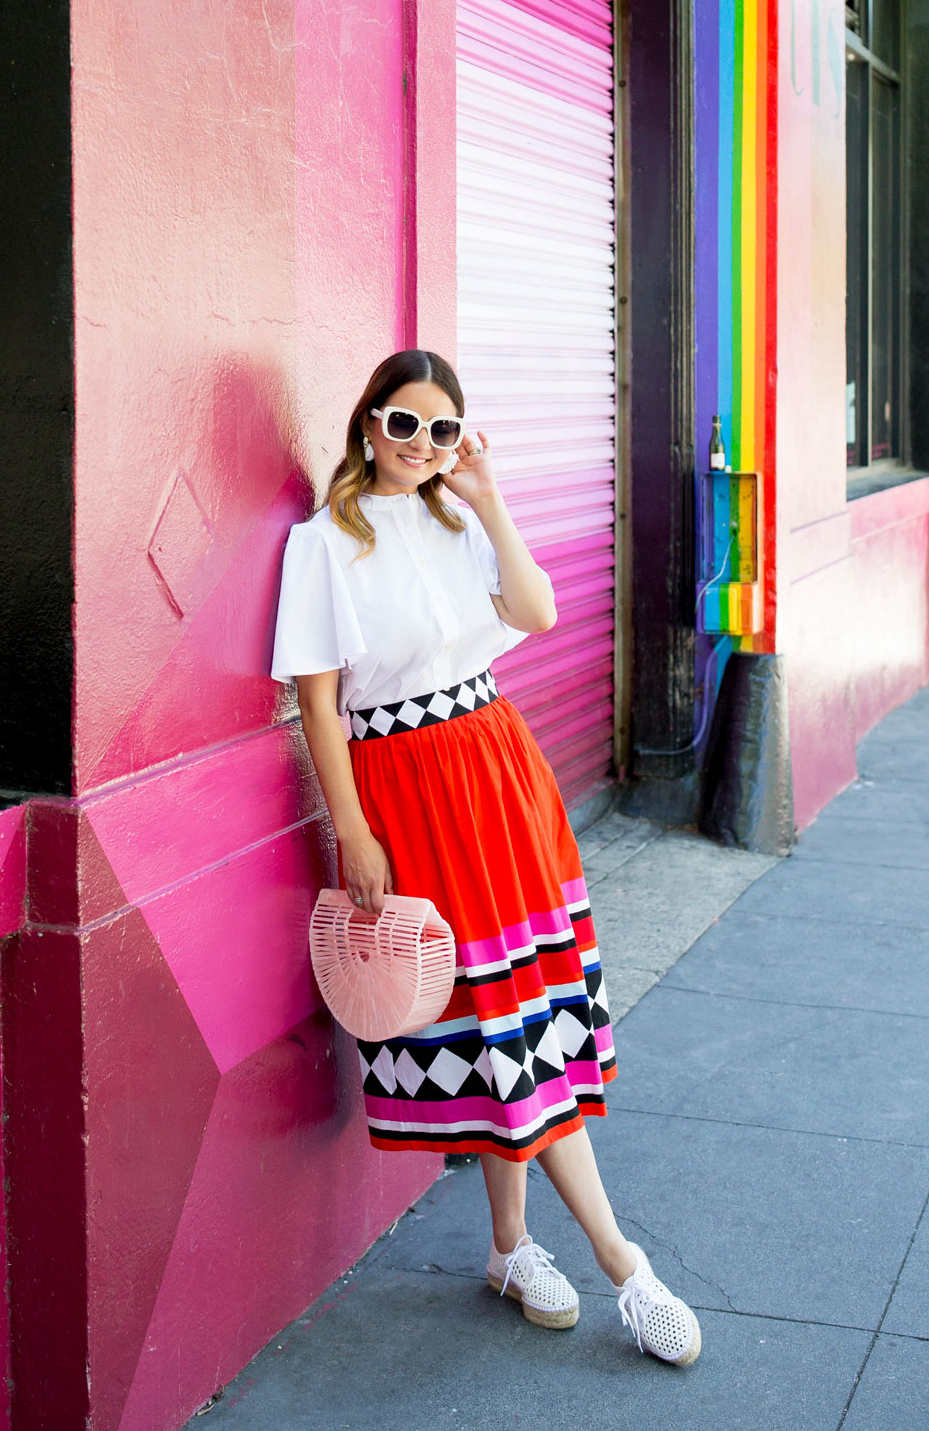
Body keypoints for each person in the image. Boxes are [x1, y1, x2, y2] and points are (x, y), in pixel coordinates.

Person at [270, 349, 701, 1366]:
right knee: (503, 1028)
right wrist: (354, 831)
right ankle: (621, 1265)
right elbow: (320, 705)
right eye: (404, 423)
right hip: (407, 795)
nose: (421, 446)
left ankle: (513, 1247)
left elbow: (538, 613)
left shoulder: (461, 520)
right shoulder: (322, 544)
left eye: (443, 430)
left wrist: (490, 498)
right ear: (366, 421)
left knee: (522, 1018)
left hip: (499, 771)